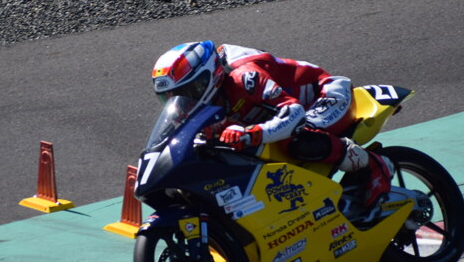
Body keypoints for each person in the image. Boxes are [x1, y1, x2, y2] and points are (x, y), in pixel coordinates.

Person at [150, 40, 394, 210]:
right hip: (272, 114)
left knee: (297, 141)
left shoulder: (245, 77)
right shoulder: (201, 102)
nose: (181, 102)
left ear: (208, 76)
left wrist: (254, 134)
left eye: (186, 92)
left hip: (323, 95)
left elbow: (294, 113)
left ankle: (373, 164)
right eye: (171, 97)